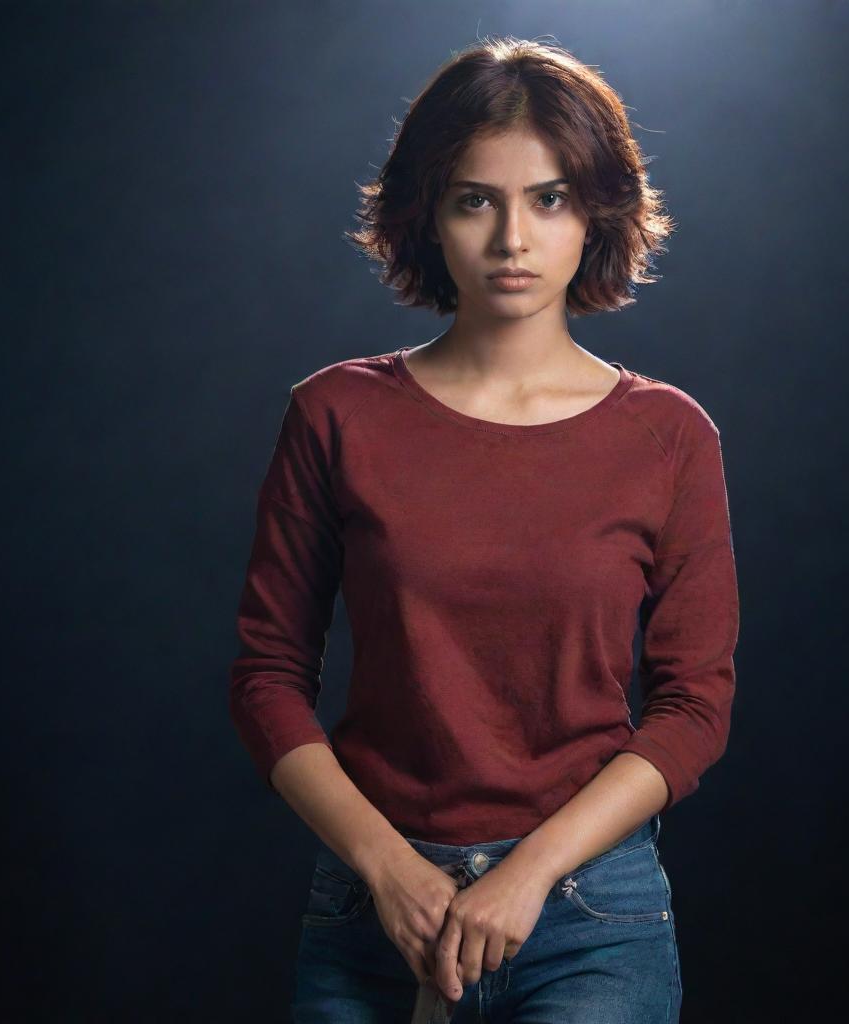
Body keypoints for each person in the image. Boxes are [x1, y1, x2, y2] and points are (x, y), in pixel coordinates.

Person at [228, 35, 739, 1024]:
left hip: (589, 912)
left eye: (548, 198)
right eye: (476, 199)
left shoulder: (670, 436)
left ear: (595, 213)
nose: (513, 237)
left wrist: (529, 874)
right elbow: (264, 677)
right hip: (376, 905)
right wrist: (387, 867)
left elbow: (693, 707)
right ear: (428, 215)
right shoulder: (336, 415)